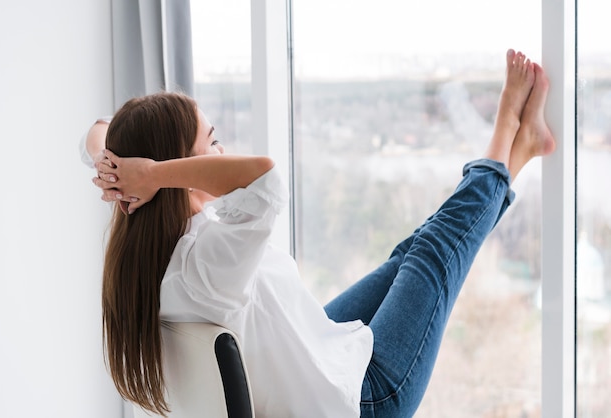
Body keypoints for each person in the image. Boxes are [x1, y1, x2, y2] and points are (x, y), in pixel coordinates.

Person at [85, 49, 555, 418]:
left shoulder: (152, 255)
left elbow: (96, 136)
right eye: (210, 144)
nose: (220, 151)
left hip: (309, 361)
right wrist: (156, 173)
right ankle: (504, 140)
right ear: (174, 170)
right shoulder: (204, 262)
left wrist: (123, 163)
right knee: (431, 251)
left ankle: (516, 156)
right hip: (363, 401)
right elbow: (265, 179)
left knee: (409, 253)